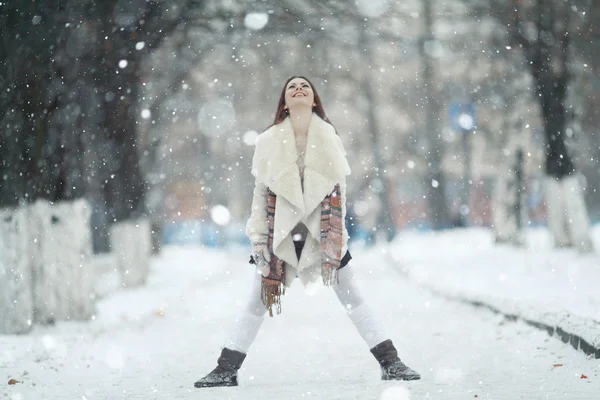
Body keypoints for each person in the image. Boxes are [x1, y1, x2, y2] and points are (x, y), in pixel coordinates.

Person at [194, 76, 420, 388]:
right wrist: (259, 239)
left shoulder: (329, 137)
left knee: (353, 298)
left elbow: (340, 192)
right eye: (291, 87)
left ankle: (391, 362)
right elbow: (260, 194)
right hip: (280, 234)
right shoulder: (268, 141)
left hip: (322, 233)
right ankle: (225, 369)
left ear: (314, 99)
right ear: (284, 102)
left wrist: (338, 238)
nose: (299, 89)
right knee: (257, 301)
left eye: (305, 87)